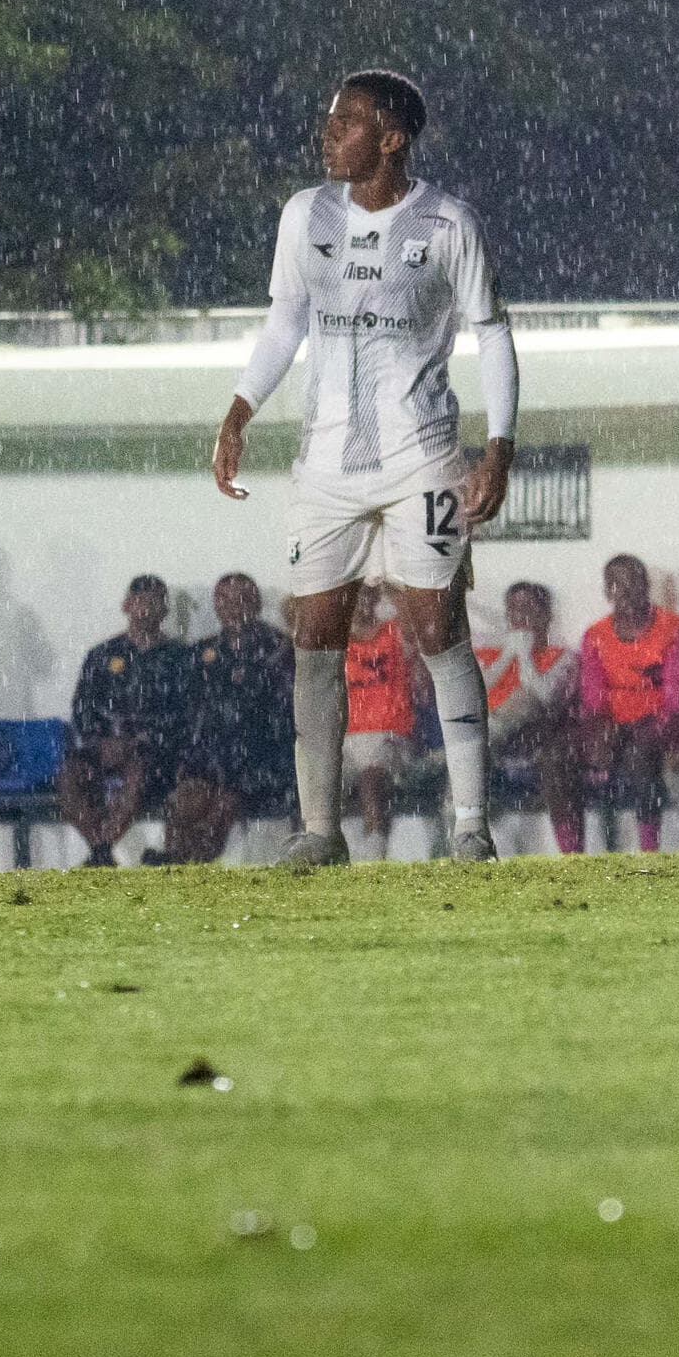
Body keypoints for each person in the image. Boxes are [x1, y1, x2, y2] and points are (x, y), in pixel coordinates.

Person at [211, 69, 518, 866]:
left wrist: (500, 447)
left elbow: (493, 332)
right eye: (330, 118)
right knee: (315, 639)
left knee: (437, 629)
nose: (329, 132)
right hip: (324, 466)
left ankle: (470, 826)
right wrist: (242, 407)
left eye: (348, 122)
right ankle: (320, 830)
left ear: (393, 137)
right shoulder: (304, 215)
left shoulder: (448, 222)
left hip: (421, 458)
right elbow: (286, 321)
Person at [164, 571, 297, 865]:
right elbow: (191, 715)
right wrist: (190, 762)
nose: (233, 608)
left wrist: (241, 762)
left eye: (241, 600)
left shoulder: (279, 649)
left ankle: (194, 867)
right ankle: (172, 865)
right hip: (213, 760)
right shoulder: (203, 653)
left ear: (256, 603)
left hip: (264, 763)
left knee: (225, 804)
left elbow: (283, 717)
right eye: (224, 601)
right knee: (183, 801)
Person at [577, 553, 679, 851]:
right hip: (616, 725)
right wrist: (602, 728)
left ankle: (649, 851)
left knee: (639, 755)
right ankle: (589, 855)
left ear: (646, 585)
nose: (623, 591)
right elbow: (592, 695)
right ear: (605, 591)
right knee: (583, 756)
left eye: (631, 582)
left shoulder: (675, 629)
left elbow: (677, 698)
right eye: (614, 584)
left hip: (664, 725)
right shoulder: (596, 636)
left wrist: (652, 726)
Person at [59, 573, 188, 866]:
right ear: (126, 605)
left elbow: (185, 714)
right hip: (104, 750)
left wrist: (137, 742)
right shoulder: (103, 655)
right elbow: (82, 708)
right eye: (139, 599)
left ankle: (101, 850)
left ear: (165, 610)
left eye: (154, 600)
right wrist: (101, 742)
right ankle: (101, 847)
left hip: (156, 755)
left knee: (137, 772)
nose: (145, 607)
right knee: (69, 777)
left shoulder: (179, 657)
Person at [478, 579, 585, 853]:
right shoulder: (487, 655)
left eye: (529, 609)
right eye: (513, 610)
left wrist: (524, 656)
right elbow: (475, 693)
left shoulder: (564, 657)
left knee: (525, 701)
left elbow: (546, 696)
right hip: (490, 748)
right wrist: (507, 656)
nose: (521, 618)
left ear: (546, 614)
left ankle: (571, 855)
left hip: (532, 741)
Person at [338, 581, 434, 857]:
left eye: (365, 596)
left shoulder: (393, 632)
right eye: (352, 597)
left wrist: (384, 580)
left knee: (372, 776)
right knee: (323, 785)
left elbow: (413, 609)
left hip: (390, 734)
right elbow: (292, 610)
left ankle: (375, 848)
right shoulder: (336, 640)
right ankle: (323, 853)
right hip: (347, 738)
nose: (359, 603)